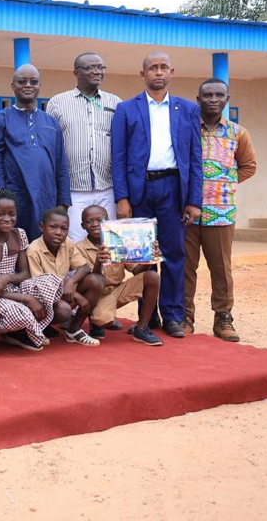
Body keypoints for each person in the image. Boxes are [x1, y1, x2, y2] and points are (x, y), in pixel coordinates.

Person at [111, 52, 202, 338]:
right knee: (142, 256)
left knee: (175, 254)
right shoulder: (126, 109)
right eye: (152, 68)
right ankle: (146, 318)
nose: (158, 72)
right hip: (140, 191)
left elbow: (195, 157)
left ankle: (174, 316)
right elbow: (118, 156)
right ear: (143, 74)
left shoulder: (187, 109)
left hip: (174, 188)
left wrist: (193, 200)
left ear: (172, 72)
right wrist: (122, 197)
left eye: (163, 68)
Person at [184, 79, 257, 341]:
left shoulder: (238, 133)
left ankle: (223, 318)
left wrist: (225, 182)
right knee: (185, 267)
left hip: (221, 212)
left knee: (221, 268)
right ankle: (184, 316)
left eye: (219, 95)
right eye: (207, 95)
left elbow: (249, 166)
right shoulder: (186, 130)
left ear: (227, 99)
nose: (213, 99)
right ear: (198, 98)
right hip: (187, 213)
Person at [0, 189, 64, 352]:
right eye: (1, 214)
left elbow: (25, 274)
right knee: (21, 311)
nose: (7, 219)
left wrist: (7, 277)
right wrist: (26, 298)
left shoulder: (20, 234)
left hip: (10, 287)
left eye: (12, 214)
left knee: (50, 281)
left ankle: (15, 332)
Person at [0, 64, 71, 241]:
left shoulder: (51, 122)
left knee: (46, 245)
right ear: (13, 86)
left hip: (47, 194)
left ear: (40, 86)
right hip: (15, 194)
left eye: (34, 82)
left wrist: (63, 202)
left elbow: (61, 163)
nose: (28, 85)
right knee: (16, 244)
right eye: (22, 81)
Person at [46, 53, 122, 243]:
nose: (96, 71)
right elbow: (51, 146)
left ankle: (108, 275)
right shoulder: (57, 103)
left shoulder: (116, 103)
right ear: (76, 72)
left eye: (100, 67)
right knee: (77, 244)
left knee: (110, 243)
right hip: (73, 191)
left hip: (108, 188)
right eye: (89, 68)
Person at [75, 205, 163, 346]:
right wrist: (99, 262)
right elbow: (92, 282)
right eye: (89, 221)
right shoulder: (78, 248)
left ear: (107, 221)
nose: (95, 224)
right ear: (82, 225)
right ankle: (95, 322)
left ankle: (142, 328)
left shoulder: (119, 240)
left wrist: (150, 257)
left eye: (100, 220)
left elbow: (136, 271)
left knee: (152, 276)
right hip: (96, 295)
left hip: (117, 290)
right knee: (101, 318)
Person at [26, 208, 104, 346]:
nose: (58, 232)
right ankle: (34, 329)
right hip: (42, 300)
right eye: (53, 227)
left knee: (96, 280)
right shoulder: (33, 250)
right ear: (41, 227)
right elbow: (39, 288)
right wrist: (77, 296)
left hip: (63, 294)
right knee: (64, 310)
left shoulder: (66, 243)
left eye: (64, 228)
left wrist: (71, 280)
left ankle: (74, 330)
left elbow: (85, 267)